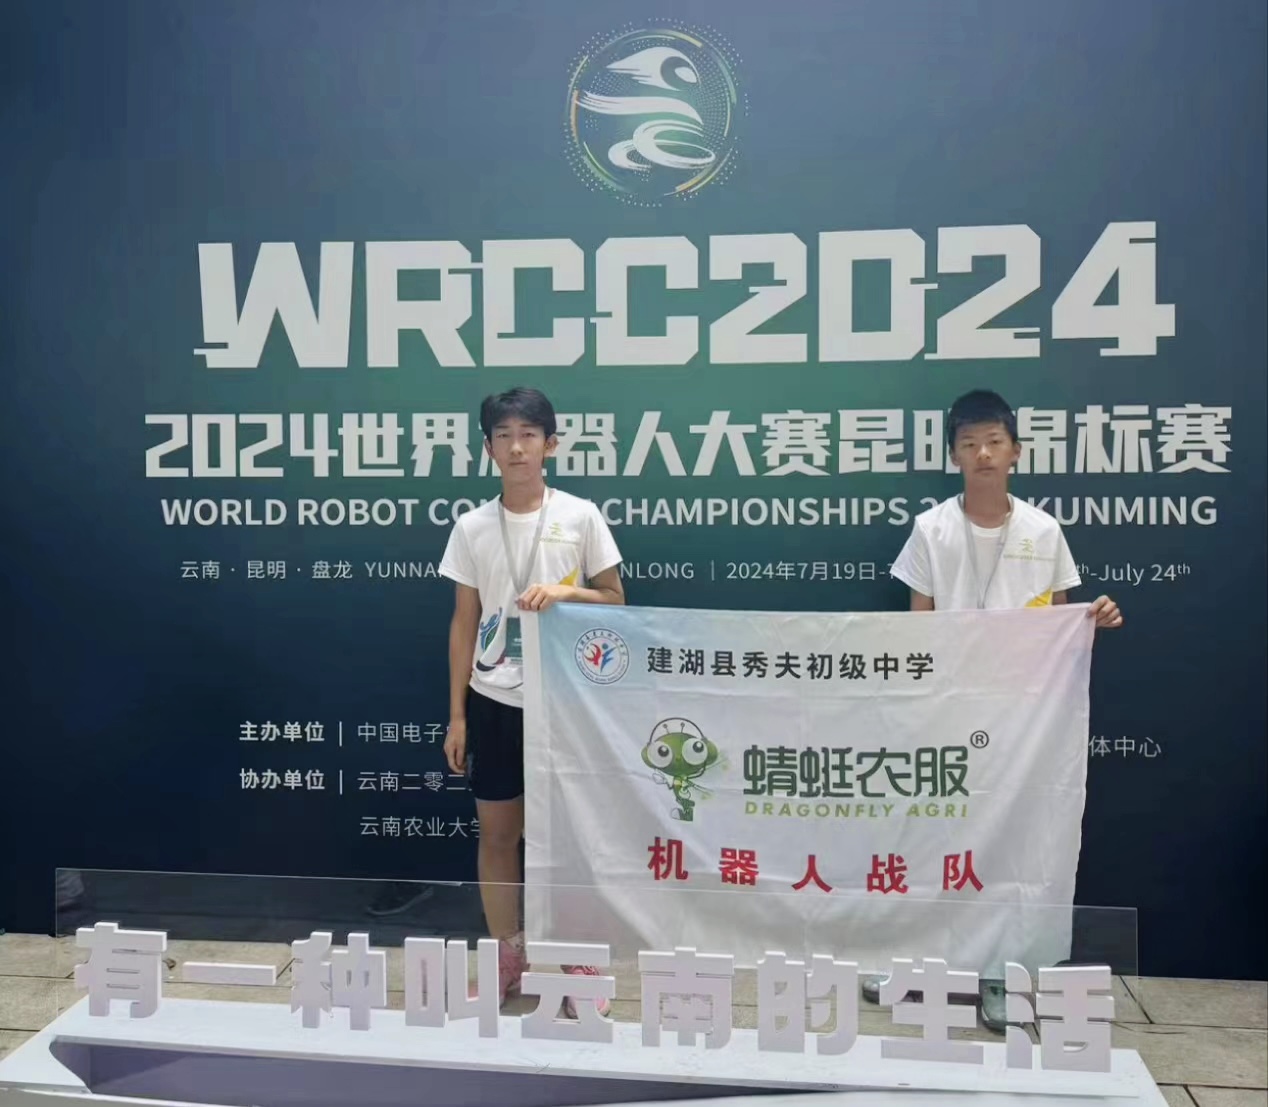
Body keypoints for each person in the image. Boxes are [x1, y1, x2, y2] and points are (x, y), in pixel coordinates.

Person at [875, 388, 1123, 1031]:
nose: (982, 453)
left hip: (1023, 720)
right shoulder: (932, 529)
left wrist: (1094, 618)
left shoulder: (1043, 531)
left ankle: (999, 973)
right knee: (934, 836)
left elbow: (1061, 625)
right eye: (969, 443)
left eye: (993, 441)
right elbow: (918, 631)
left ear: (1016, 451)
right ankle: (920, 962)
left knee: (1008, 842)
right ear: (953, 456)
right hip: (946, 711)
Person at [438, 387, 625, 1014]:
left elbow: (616, 600)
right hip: (492, 700)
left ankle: (576, 960)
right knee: (498, 836)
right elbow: (464, 622)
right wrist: (458, 714)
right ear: (488, 448)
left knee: (567, 837)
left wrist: (566, 593)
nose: (516, 448)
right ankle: (507, 957)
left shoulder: (580, 516)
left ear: (551, 444)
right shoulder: (472, 526)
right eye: (504, 436)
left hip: (564, 701)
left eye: (528, 435)